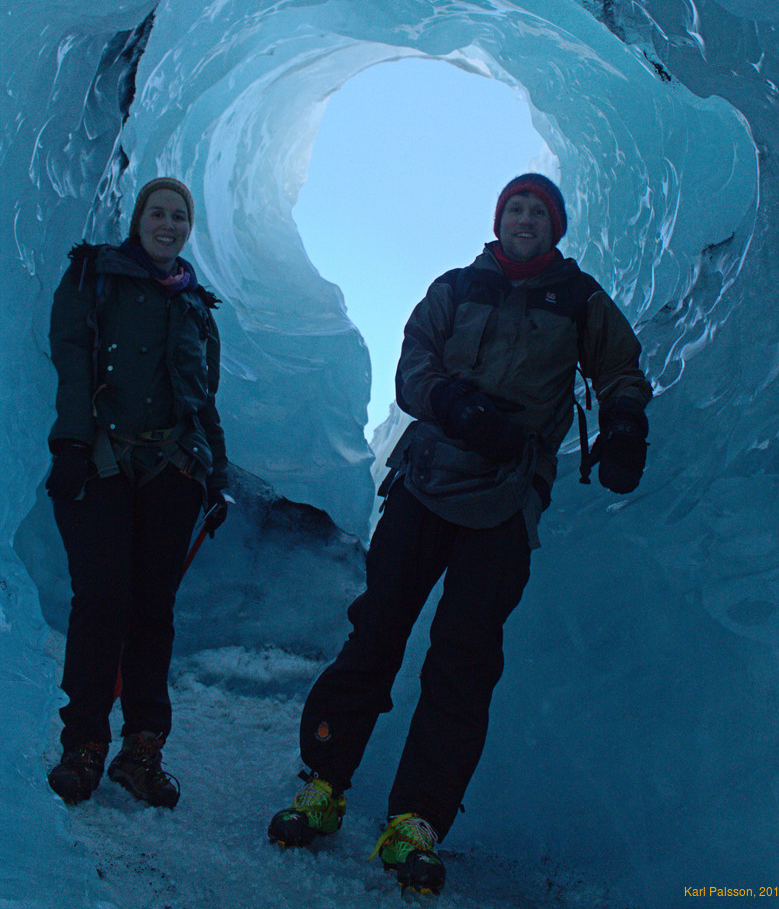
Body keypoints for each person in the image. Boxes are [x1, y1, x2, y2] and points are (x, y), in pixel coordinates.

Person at [268, 173, 652, 896]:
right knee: (375, 631)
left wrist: (625, 423)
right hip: (425, 478)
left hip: (506, 498)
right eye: (515, 207)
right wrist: (453, 402)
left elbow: (618, 369)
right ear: (497, 218)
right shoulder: (454, 287)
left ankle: (417, 821)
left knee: (463, 659)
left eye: (537, 211)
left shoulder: (580, 300)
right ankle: (321, 785)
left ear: (555, 227)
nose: (524, 218)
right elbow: (414, 364)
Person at [45, 177, 231, 809]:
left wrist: (218, 476)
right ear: (139, 218)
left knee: (153, 610)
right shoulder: (94, 274)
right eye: (159, 212)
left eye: (179, 216)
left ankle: (141, 752)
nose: (168, 224)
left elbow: (204, 399)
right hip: (99, 460)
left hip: (172, 469)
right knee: (102, 599)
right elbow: (73, 358)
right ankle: (84, 747)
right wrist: (70, 444)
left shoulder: (196, 306)